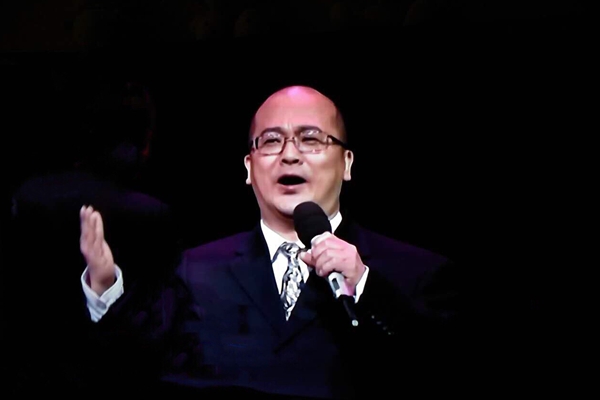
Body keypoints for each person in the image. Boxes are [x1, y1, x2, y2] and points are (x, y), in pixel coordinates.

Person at [79, 85, 459, 398]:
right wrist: (106, 288)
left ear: (346, 163)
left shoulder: (418, 272)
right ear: (249, 167)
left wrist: (363, 286)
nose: (289, 155)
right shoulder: (194, 271)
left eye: (310, 139)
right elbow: (130, 371)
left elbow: (437, 371)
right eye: (272, 141)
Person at [8, 80, 178, 395]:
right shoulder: (150, 215)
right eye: (146, 137)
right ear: (139, 141)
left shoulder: (28, 196)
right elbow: (153, 323)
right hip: (113, 380)